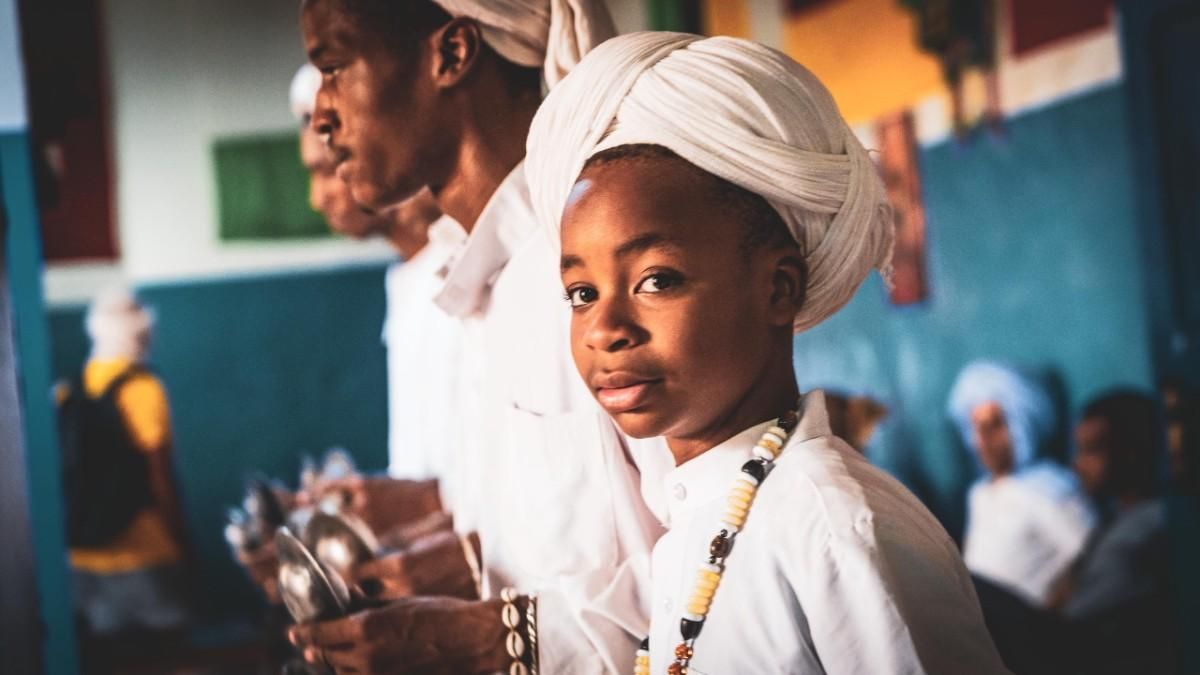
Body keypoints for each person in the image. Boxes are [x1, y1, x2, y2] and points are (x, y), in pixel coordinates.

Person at [523, 31, 1009, 674]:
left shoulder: (835, 528)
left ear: (778, 289)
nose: (604, 328)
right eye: (581, 292)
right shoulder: (698, 516)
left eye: (657, 280)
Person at [292, 2, 666, 673]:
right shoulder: (479, 282)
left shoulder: (586, 273)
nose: (323, 115)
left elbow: (721, 550)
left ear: (452, 54)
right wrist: (448, 574)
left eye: (336, 67)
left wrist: (488, 637)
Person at [66, 288, 191, 662]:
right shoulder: (144, 390)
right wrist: (181, 539)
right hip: (143, 552)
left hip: (82, 556)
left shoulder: (71, 389)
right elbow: (160, 478)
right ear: (141, 333)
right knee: (165, 658)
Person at [948, 360, 1096, 609]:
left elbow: (1091, 558)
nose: (983, 439)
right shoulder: (980, 493)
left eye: (995, 425)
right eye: (977, 426)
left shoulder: (1051, 488)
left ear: (1020, 424)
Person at [1065, 390, 1175, 675]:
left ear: (1130, 453)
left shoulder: (1139, 535)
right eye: (1079, 450)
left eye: (1092, 451)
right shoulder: (1115, 521)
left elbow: (1067, 630)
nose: (1078, 465)